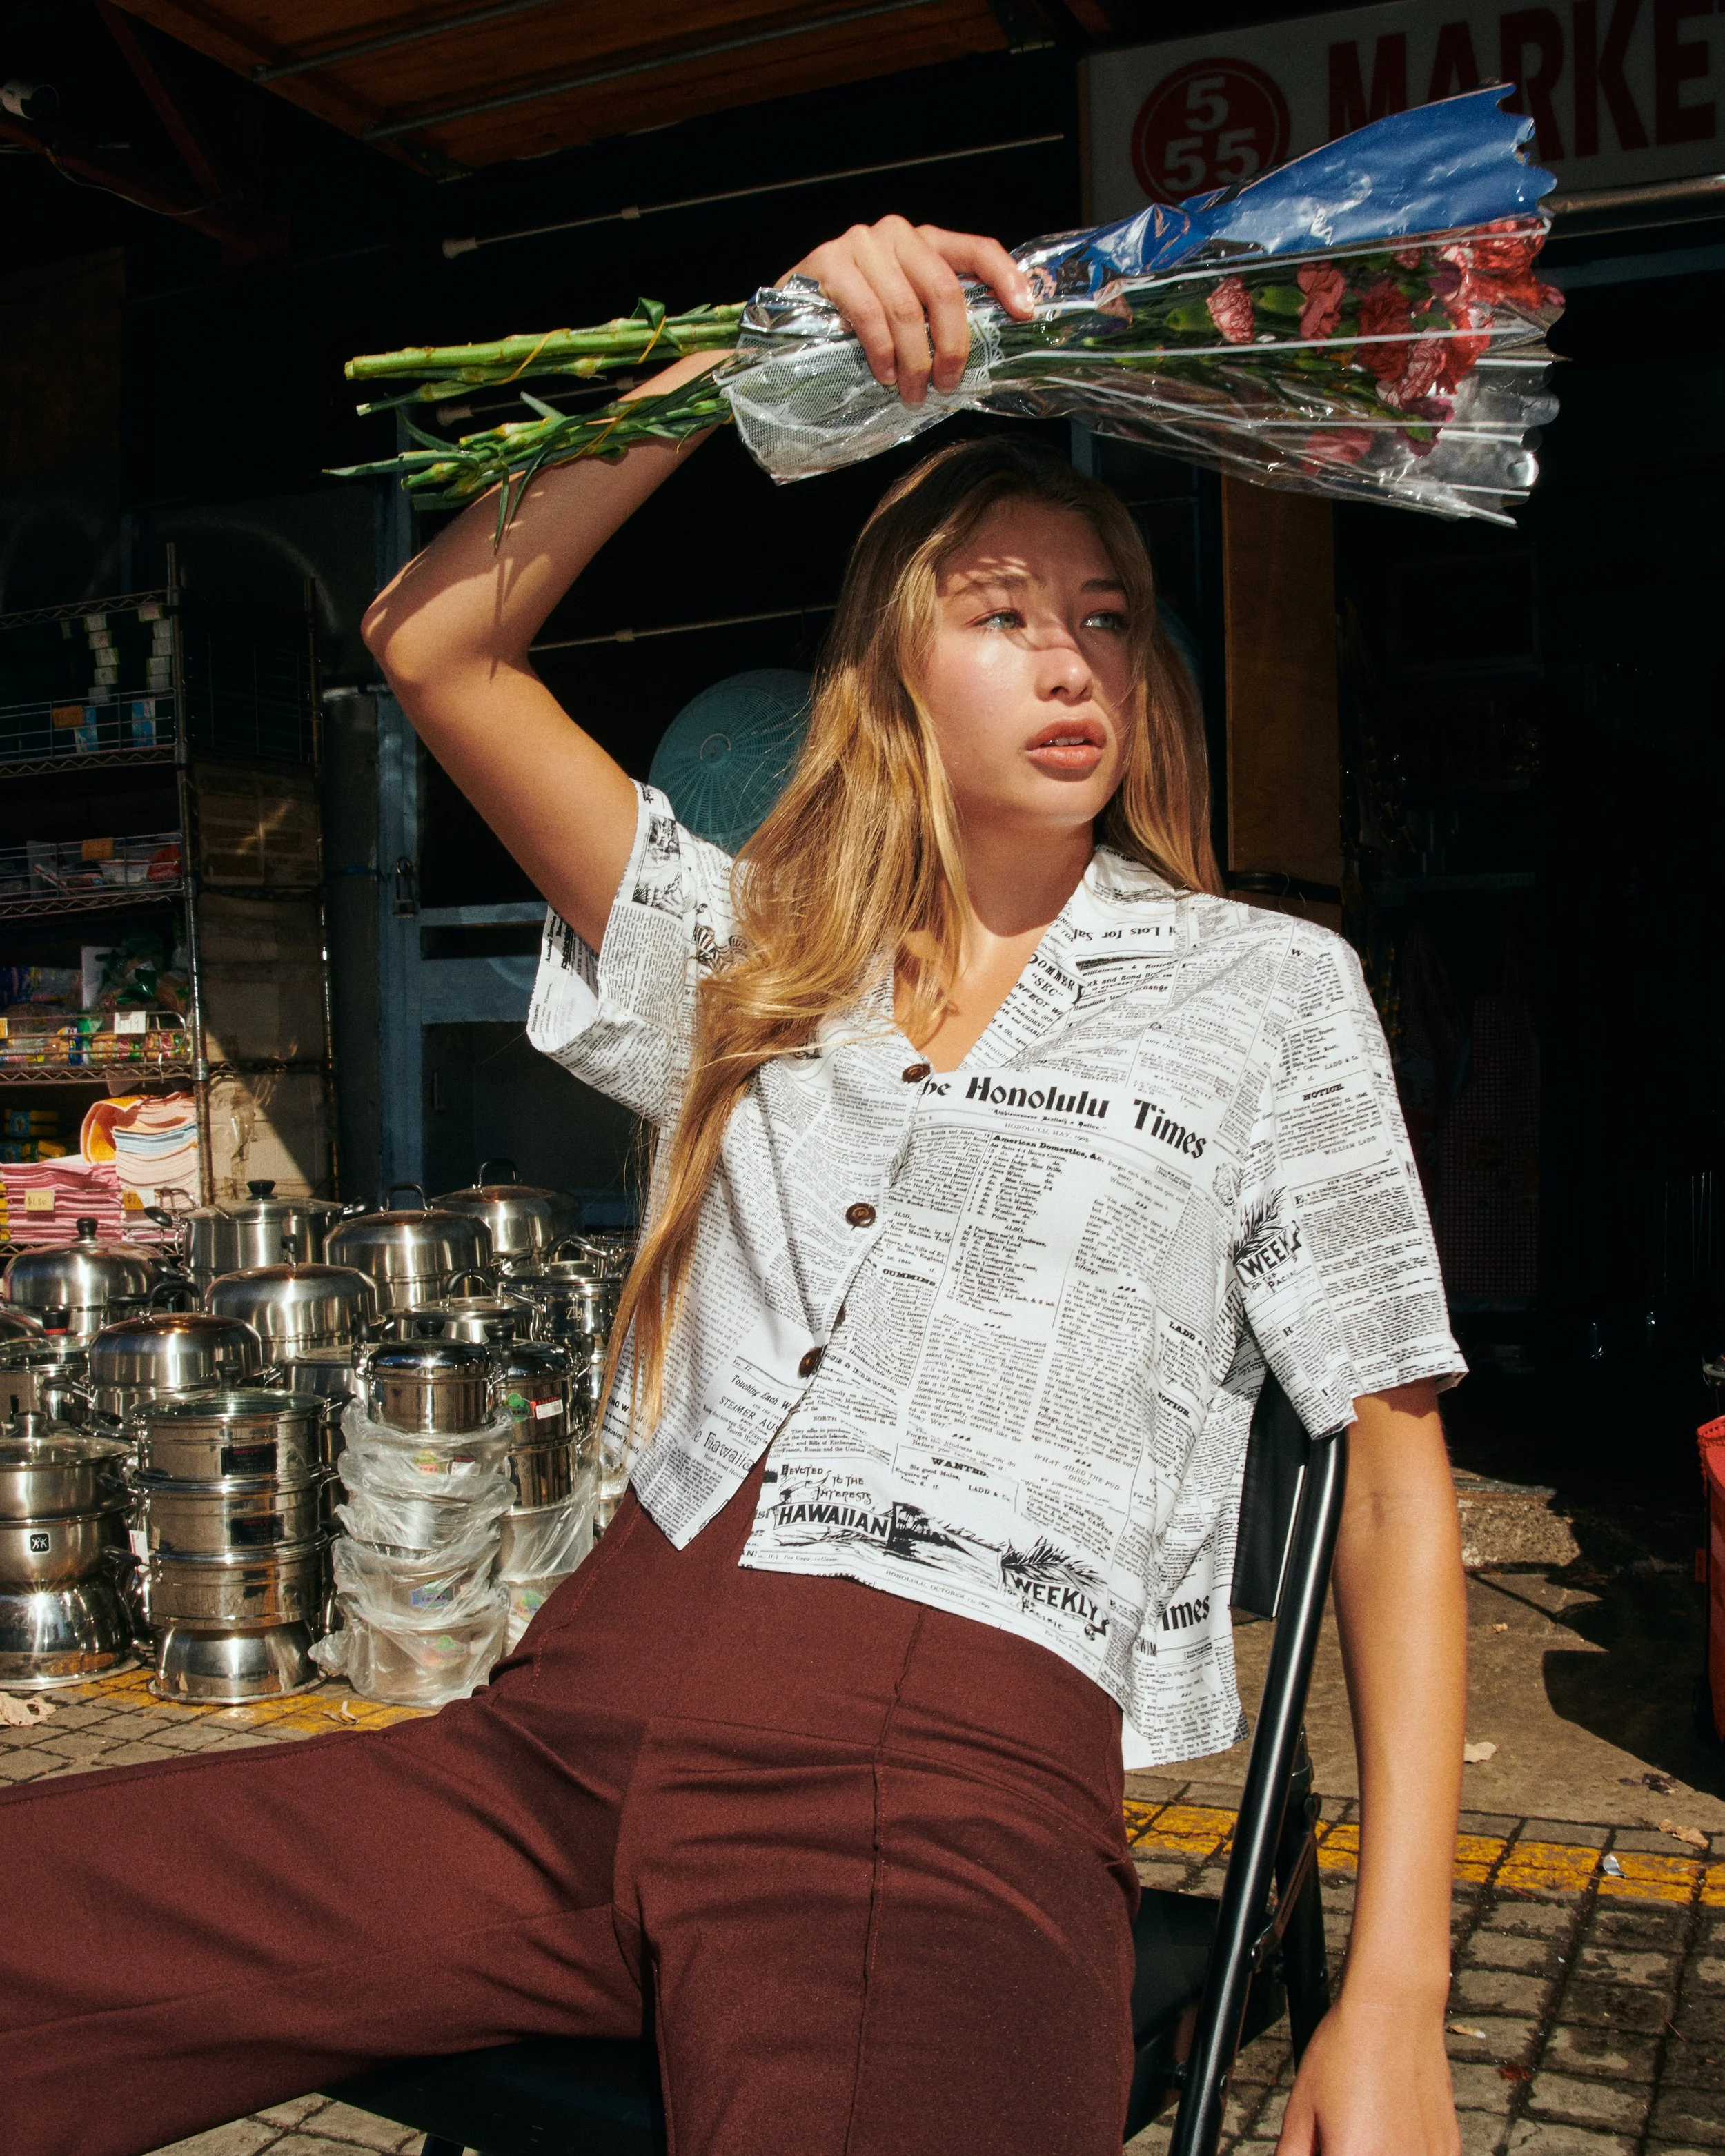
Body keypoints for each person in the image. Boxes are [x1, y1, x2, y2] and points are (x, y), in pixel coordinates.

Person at [1, 219, 1468, 2156]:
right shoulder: (761, 948)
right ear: (888, 668)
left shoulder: (1265, 987)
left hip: (935, 1775)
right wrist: (762, 351)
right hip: (559, 1728)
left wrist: (1396, 1997)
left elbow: (1389, 1461)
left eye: (1105, 616)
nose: (1070, 660)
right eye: (1000, 612)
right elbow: (433, 640)